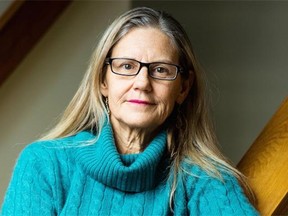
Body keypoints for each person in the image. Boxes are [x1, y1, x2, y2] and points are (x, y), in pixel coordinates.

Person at [1, 7, 258, 215]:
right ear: (103, 80)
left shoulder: (204, 179)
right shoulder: (45, 164)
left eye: (160, 70)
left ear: (183, 88)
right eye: (126, 66)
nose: (143, 83)